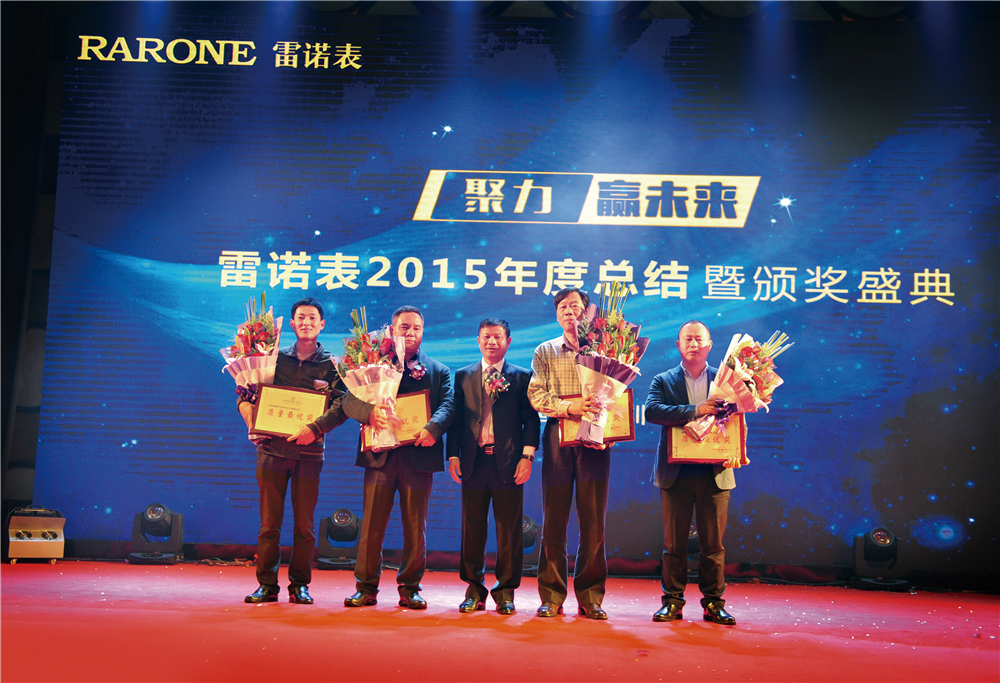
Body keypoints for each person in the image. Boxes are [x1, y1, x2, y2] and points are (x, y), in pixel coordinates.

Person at [342, 305, 455, 610]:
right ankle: (365, 587)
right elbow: (348, 400)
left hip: (418, 458)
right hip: (381, 457)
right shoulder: (370, 365)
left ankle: (410, 588)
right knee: (371, 527)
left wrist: (433, 428)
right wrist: (370, 413)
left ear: (423, 332)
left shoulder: (439, 371)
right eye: (404, 327)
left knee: (415, 528)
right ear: (392, 330)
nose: (410, 332)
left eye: (416, 328)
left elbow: (448, 405)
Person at [240, 297, 348, 605]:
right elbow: (248, 392)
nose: (306, 322)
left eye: (312, 318)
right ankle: (266, 585)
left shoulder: (333, 365)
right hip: (271, 452)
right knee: (268, 525)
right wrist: (245, 409)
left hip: (309, 455)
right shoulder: (272, 359)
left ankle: (300, 585)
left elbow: (343, 406)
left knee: (305, 526)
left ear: (321, 324)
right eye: (301, 317)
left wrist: (315, 428)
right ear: (291, 323)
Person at [644, 320, 741, 625]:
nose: (694, 344)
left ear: (710, 345)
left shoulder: (729, 381)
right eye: (688, 339)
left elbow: (739, 420)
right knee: (674, 545)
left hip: (715, 472)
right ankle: (672, 601)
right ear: (678, 345)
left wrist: (739, 450)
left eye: (699, 339)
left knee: (713, 545)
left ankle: (714, 602)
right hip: (676, 473)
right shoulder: (663, 380)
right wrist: (696, 409)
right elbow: (652, 411)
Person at [526, 287, 610, 620]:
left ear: (588, 312)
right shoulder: (545, 351)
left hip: (596, 441)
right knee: (554, 520)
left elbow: (617, 394)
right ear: (557, 314)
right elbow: (536, 395)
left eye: (575, 305)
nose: (569, 311)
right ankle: (551, 595)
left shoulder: (606, 348)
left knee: (593, 522)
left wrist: (612, 429)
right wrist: (570, 408)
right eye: (562, 307)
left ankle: (591, 597)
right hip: (557, 439)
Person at [447, 318, 540, 615]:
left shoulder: (522, 376)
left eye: (497, 337)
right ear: (478, 340)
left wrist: (527, 457)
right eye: (486, 336)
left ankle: (505, 592)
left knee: (509, 530)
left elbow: (531, 420)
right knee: (472, 528)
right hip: (473, 462)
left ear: (508, 341)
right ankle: (474, 590)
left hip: (509, 463)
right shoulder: (463, 376)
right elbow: (456, 420)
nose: (491, 342)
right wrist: (453, 455)